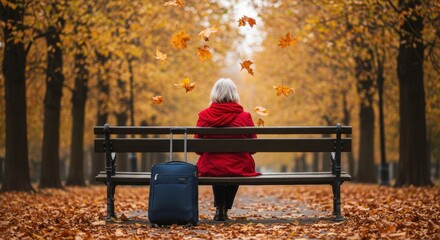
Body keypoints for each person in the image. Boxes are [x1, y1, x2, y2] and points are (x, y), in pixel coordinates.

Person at [195, 78, 260, 221]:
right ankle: (224, 209)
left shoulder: (204, 116)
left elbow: (198, 149)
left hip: (210, 167)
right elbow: (253, 147)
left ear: (214, 94)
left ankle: (220, 209)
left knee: (216, 165)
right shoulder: (245, 116)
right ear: (234, 94)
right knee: (234, 165)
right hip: (239, 167)